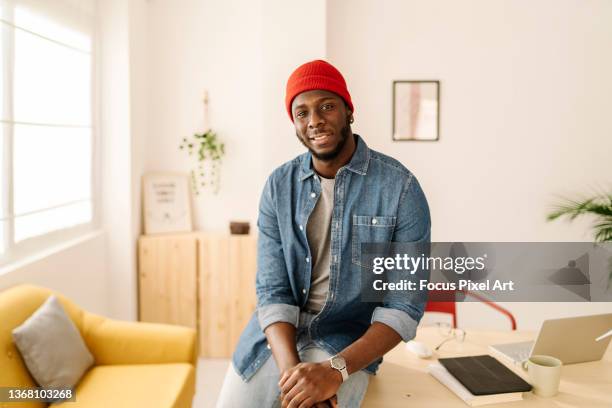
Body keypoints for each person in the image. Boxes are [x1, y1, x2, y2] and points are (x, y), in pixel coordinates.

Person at [216, 60, 431, 408]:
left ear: (349, 110)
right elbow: (273, 292)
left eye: (326, 106)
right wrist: (294, 379)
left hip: (346, 338)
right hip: (278, 336)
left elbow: (403, 307)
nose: (314, 120)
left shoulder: (401, 189)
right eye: (302, 113)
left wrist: (333, 372)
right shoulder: (278, 187)